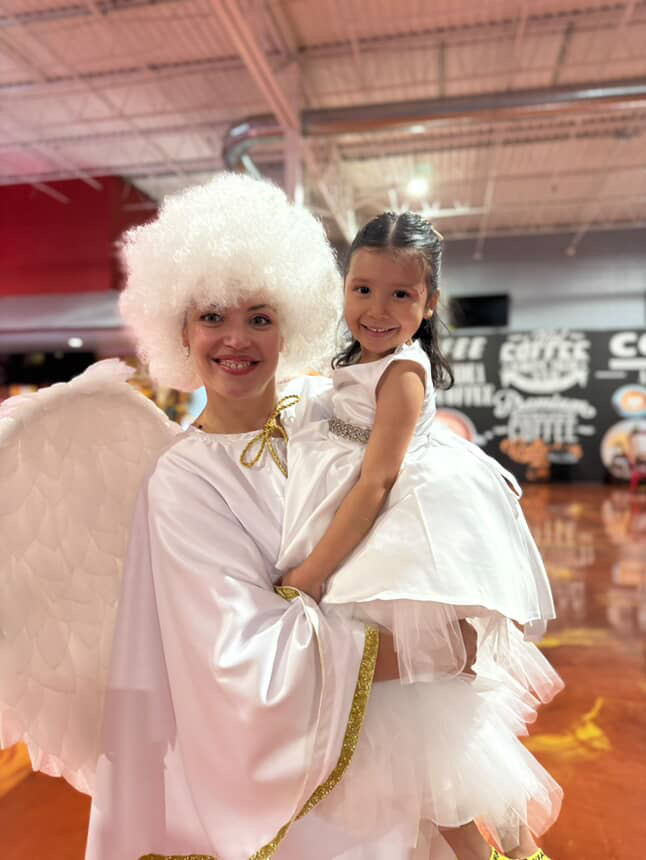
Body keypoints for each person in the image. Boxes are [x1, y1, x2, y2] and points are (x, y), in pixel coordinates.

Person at [83, 175, 479, 860]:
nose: (236, 339)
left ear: (290, 322)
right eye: (212, 316)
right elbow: (240, 661)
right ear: (179, 327)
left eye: (260, 317)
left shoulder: (327, 417)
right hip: (297, 810)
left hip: (387, 767)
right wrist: (423, 649)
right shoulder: (181, 481)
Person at [277, 211, 564, 860]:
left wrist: (311, 573)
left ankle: (498, 851)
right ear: (343, 289)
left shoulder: (403, 373)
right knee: (420, 714)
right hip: (373, 528)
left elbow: (376, 483)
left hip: (400, 542)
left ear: (430, 303)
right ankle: (500, 848)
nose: (378, 308)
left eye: (401, 294)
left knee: (412, 710)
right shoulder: (354, 360)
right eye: (363, 289)